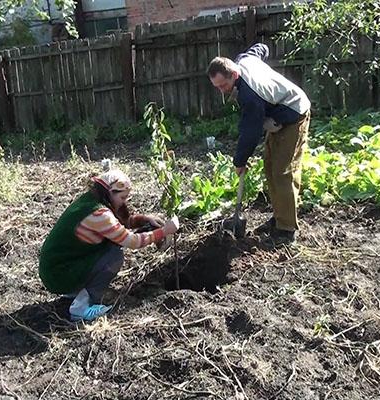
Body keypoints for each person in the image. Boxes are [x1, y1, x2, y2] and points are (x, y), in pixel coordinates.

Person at [39, 169, 179, 322]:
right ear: (110, 192)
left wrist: (144, 219)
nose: (124, 202)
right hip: (58, 274)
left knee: (110, 246)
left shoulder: (91, 200)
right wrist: (164, 231)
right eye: (122, 197)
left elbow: (121, 223)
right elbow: (131, 241)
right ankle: (80, 308)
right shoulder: (99, 214)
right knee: (113, 256)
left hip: (58, 266)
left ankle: (77, 290)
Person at [207, 43, 311, 245]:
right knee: (270, 167)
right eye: (216, 86)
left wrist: (240, 161)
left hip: (295, 113)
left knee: (282, 170)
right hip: (278, 116)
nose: (221, 91)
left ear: (234, 75)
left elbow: (251, 132)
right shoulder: (244, 60)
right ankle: (280, 217)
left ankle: (287, 231)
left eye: (223, 85)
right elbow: (261, 48)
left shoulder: (250, 96)